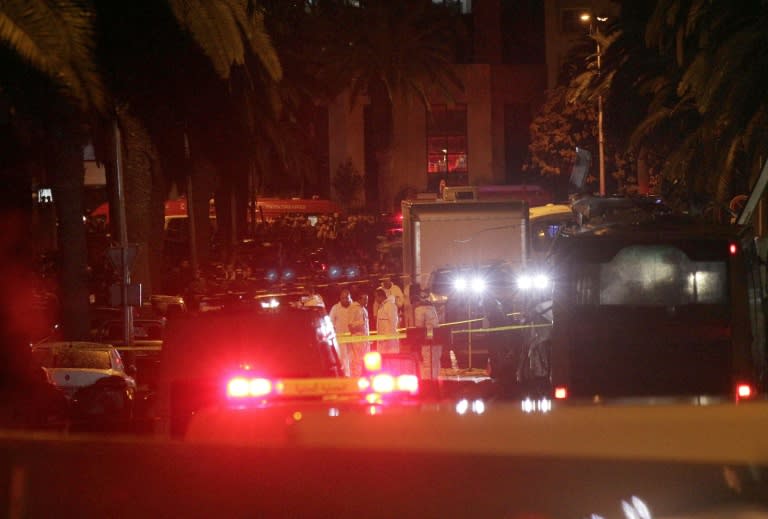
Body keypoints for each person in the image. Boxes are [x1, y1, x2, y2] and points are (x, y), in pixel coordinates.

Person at [414, 290, 441, 380]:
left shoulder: (419, 310)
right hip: (437, 339)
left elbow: (419, 327)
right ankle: (436, 380)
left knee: (427, 362)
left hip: (427, 341)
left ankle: (428, 383)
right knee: (436, 361)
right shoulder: (432, 308)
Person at [329, 289, 353, 375]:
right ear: (340, 298)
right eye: (343, 298)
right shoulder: (335, 308)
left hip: (353, 339)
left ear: (350, 297)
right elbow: (330, 322)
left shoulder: (355, 307)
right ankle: (345, 377)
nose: (345, 300)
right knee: (342, 359)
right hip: (340, 339)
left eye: (347, 298)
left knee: (353, 359)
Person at [346, 291, 370, 377]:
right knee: (357, 361)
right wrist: (359, 327)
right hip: (357, 340)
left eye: (367, 299)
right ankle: (356, 379)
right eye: (364, 299)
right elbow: (350, 326)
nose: (366, 301)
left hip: (365, 341)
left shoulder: (364, 310)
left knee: (365, 361)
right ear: (359, 299)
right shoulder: (353, 308)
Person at [374, 287, 399, 354]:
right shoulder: (381, 307)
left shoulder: (390, 306)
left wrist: (390, 338)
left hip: (389, 342)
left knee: (391, 359)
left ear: (381, 296)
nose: (375, 299)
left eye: (376, 297)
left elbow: (394, 323)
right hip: (383, 341)